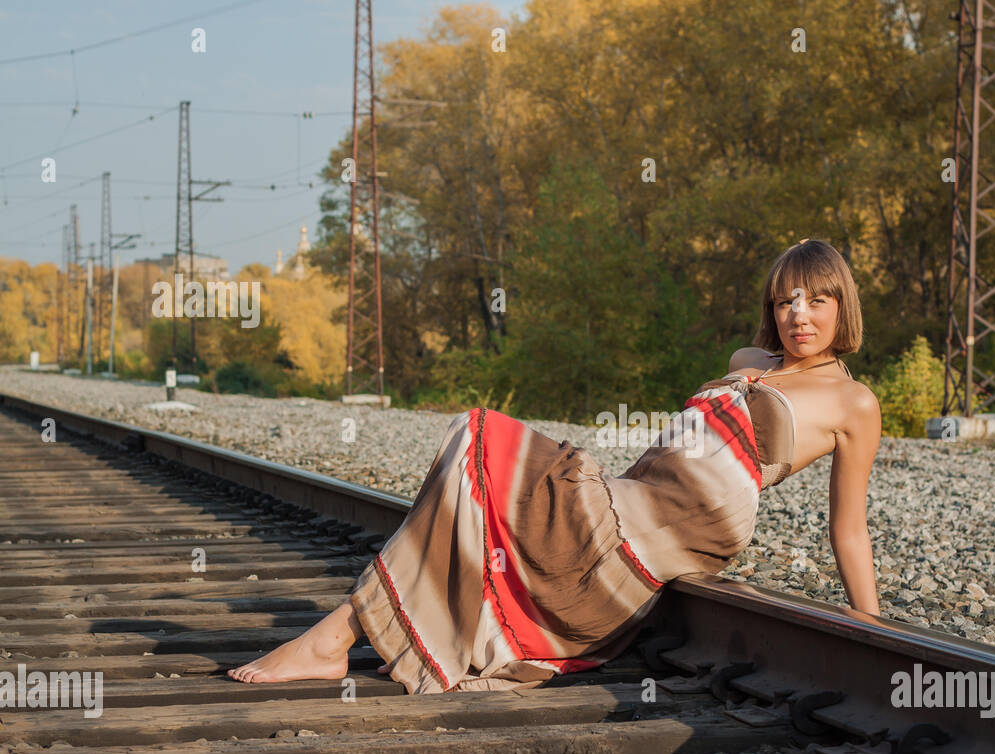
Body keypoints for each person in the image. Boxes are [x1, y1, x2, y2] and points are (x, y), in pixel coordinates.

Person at [229, 238, 882, 692]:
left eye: (815, 300)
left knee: (480, 438)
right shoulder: (749, 362)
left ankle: (336, 637)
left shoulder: (853, 402)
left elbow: (848, 527)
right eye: (785, 301)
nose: (797, 315)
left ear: (840, 306)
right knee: (473, 438)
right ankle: (356, 630)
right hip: (629, 495)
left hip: (683, 527)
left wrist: (867, 624)